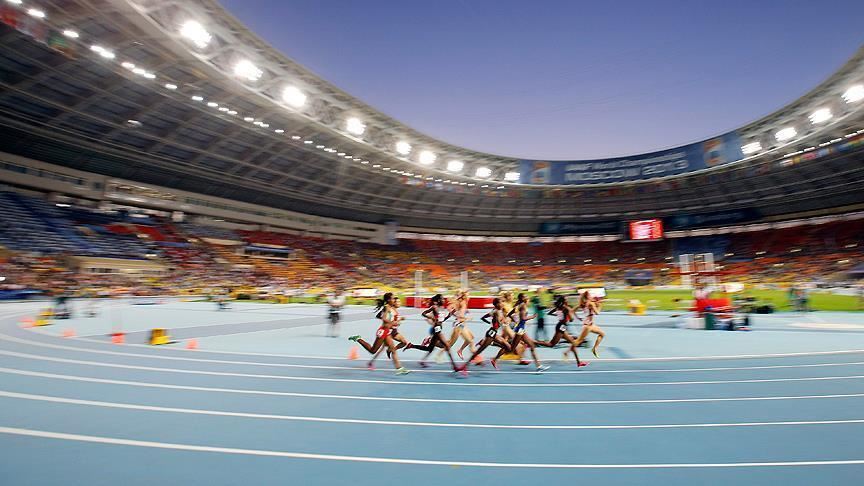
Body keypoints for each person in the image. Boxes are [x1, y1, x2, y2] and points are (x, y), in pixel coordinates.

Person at [348, 293, 409, 374]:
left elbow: (385, 317)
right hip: (383, 331)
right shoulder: (387, 307)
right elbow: (384, 318)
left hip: (388, 332)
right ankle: (358, 339)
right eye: (393, 298)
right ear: (388, 300)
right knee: (373, 351)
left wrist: (396, 321)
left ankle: (399, 368)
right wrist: (393, 323)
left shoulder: (391, 307)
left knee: (393, 350)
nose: (394, 300)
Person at [456, 298, 514, 372]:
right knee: (478, 351)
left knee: (508, 347)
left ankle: (494, 358)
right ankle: (464, 367)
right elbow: (499, 323)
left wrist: (493, 322)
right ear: (496, 304)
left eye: (502, 302)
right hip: (491, 334)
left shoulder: (496, 311)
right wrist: (505, 320)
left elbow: (483, 318)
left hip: (494, 333)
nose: (502, 304)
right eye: (500, 303)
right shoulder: (496, 312)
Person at [409, 294, 460, 371]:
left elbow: (442, 320)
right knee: (447, 346)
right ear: (439, 300)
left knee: (429, 349)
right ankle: (454, 366)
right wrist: (431, 317)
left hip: (439, 328)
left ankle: (411, 345)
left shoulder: (442, 308)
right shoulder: (434, 307)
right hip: (436, 329)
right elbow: (423, 314)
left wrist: (450, 314)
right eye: (442, 299)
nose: (444, 300)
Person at [535, 295, 587, 366]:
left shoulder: (558, 307)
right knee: (551, 344)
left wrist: (559, 315)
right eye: (566, 299)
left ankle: (579, 362)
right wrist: (569, 315)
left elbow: (549, 313)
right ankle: (533, 342)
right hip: (561, 327)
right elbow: (571, 320)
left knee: (573, 343)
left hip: (561, 326)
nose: (567, 300)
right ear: (564, 301)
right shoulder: (566, 308)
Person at [507, 293, 549, 372]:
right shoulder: (523, 305)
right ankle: (495, 343)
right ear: (523, 298)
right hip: (520, 329)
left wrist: (515, 321)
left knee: (531, 345)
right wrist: (532, 317)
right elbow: (523, 318)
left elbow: (509, 314)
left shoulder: (519, 305)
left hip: (520, 328)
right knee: (511, 349)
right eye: (526, 297)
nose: (528, 298)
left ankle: (539, 366)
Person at [571, 291, 606, 359]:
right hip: (587, 326)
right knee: (578, 342)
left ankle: (594, 349)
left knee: (602, 334)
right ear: (587, 297)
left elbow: (572, 311)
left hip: (590, 325)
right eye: (590, 295)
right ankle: (567, 351)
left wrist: (577, 317)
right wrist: (600, 306)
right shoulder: (591, 304)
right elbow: (597, 313)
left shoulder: (583, 304)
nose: (591, 296)